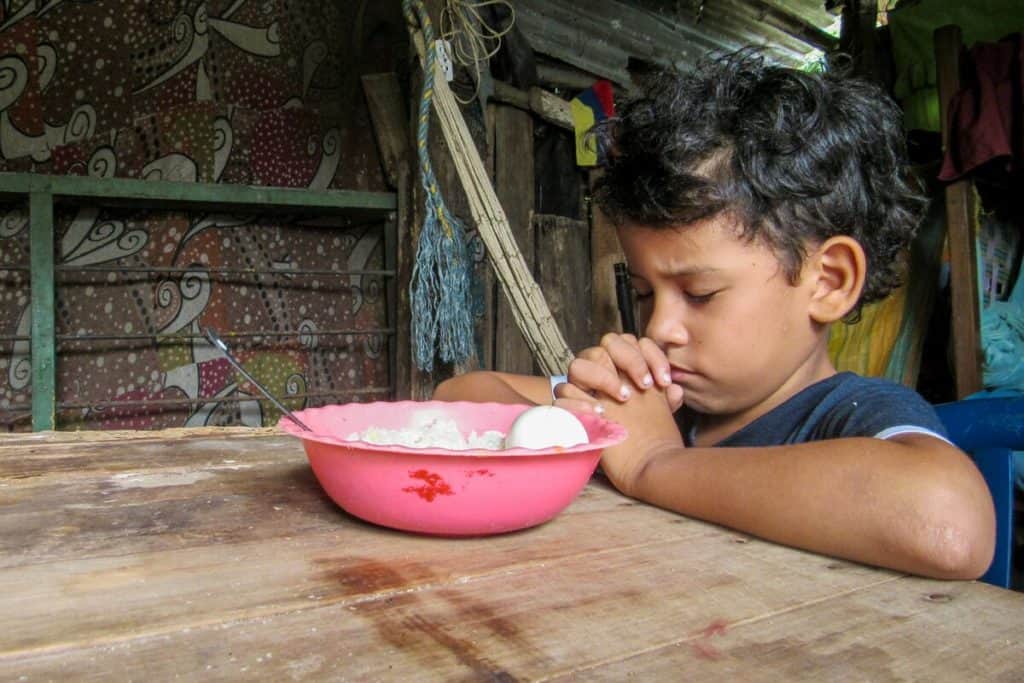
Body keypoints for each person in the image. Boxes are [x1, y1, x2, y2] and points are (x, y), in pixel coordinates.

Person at [433, 50, 996, 579]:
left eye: (700, 294)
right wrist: (563, 428)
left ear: (828, 282)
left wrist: (655, 464)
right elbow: (461, 393)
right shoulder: (659, 403)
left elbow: (949, 525)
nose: (657, 330)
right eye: (647, 293)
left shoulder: (853, 416)